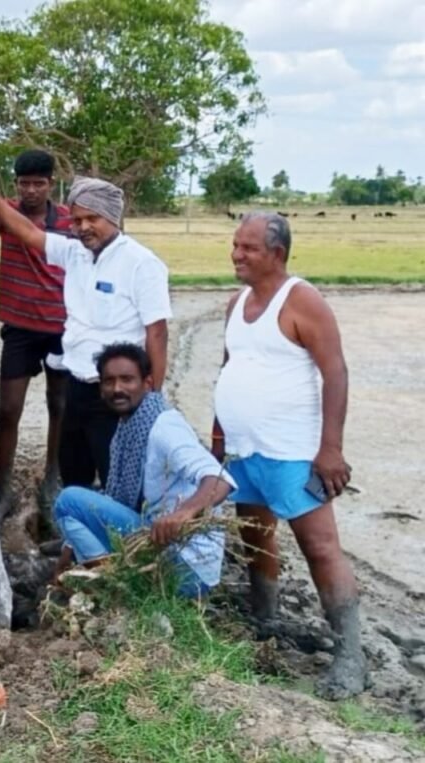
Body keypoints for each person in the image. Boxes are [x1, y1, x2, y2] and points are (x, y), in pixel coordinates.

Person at [212, 212, 366, 699]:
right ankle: (265, 619)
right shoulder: (237, 303)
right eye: (235, 245)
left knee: (319, 547)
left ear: (276, 254)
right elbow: (229, 369)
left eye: (248, 248)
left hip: (292, 452)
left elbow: (335, 372)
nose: (237, 255)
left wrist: (331, 449)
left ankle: (351, 655)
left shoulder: (302, 300)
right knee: (256, 538)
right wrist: (219, 435)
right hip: (244, 450)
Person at [0, 170, 171, 491]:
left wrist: (152, 398)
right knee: (74, 472)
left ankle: (114, 525)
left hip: (117, 392)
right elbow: (24, 229)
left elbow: (157, 333)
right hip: (77, 384)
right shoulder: (74, 253)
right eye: (77, 220)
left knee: (117, 479)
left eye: (92, 218)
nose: (83, 227)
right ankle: (74, 524)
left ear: (113, 217)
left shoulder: (141, 263)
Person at [53, 344, 234, 595]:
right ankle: (113, 579)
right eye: (109, 381)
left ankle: (115, 587)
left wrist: (183, 514)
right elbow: (115, 499)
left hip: (186, 572)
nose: (117, 388)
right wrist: (67, 553)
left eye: (127, 379)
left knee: (68, 501)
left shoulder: (164, 426)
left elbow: (219, 479)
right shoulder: (126, 429)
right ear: (100, 388)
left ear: (147, 383)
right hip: (159, 551)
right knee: (82, 509)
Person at [0, 150, 72, 517]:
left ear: (51, 184)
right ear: (15, 184)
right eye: (24, 184)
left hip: (62, 328)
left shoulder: (68, 220)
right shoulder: (5, 214)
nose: (31, 190)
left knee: (60, 405)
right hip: (20, 329)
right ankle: (3, 489)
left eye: (38, 184)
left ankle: (52, 479)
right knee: (8, 410)